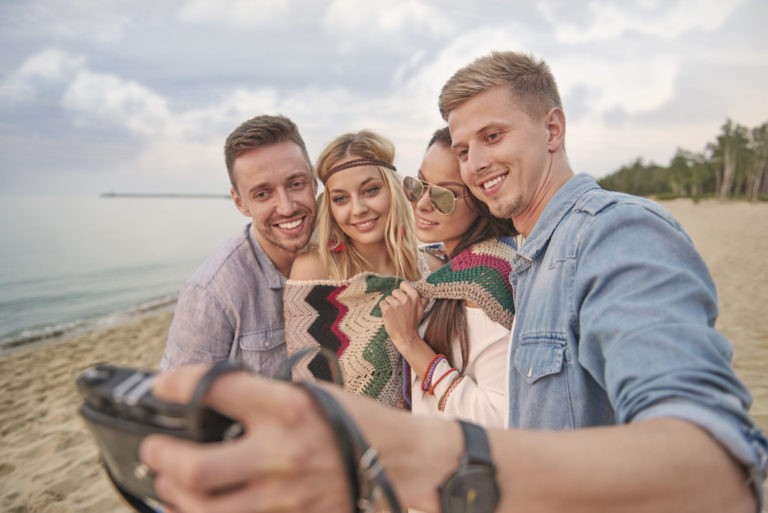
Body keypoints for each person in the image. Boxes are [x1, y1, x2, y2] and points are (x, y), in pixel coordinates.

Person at [141, 51, 767, 513]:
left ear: (553, 129)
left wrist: (418, 450)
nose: (476, 164)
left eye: (492, 137)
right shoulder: (523, 257)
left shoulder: (614, 234)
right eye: (463, 150)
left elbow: (717, 471)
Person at [159, 114, 317, 377]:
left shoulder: (344, 251)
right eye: (263, 194)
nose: (287, 207)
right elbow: (178, 400)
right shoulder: (212, 292)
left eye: (296, 184)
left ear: (314, 181)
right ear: (239, 202)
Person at [381, 127, 517, 428]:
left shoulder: (484, 285)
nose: (423, 203)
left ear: (483, 197)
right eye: (418, 185)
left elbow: (496, 420)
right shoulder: (451, 264)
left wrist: (410, 343)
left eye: (446, 195)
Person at [284, 129, 425, 408]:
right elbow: (306, 390)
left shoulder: (427, 268)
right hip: (351, 440)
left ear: (393, 189)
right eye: (341, 198)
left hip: (429, 437)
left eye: (371, 190)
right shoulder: (314, 271)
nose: (358, 209)